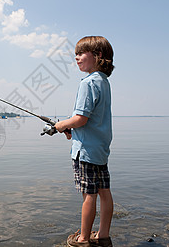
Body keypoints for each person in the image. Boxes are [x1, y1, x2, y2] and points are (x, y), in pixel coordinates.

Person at [55, 36, 114, 247]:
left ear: (97, 56)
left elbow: (81, 118)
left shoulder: (88, 83)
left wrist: (60, 125)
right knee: (104, 192)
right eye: (75, 55)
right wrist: (73, 129)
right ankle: (103, 234)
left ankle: (83, 239)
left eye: (81, 54)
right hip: (99, 148)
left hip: (86, 152)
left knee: (88, 194)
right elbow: (92, 120)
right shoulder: (103, 82)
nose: (77, 58)